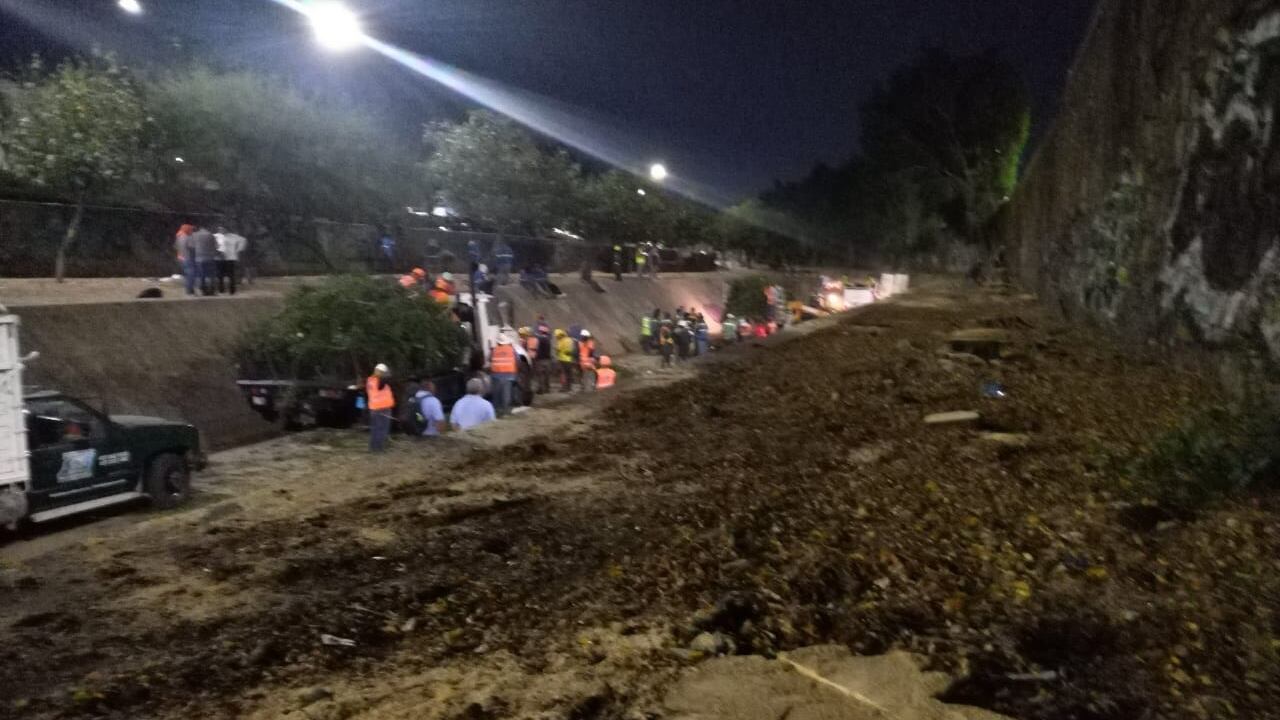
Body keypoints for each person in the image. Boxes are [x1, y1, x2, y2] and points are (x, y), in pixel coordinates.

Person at [366, 363, 395, 452]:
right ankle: (378, 449)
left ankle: (373, 448)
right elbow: (383, 383)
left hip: (375, 408)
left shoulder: (370, 380)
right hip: (382, 409)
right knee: (382, 429)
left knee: (375, 429)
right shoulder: (380, 381)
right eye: (384, 372)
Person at [489, 334, 518, 416]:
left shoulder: (494, 350)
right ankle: (506, 412)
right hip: (509, 376)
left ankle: (497, 412)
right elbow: (518, 361)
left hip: (496, 376)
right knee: (506, 395)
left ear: (498, 342)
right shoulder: (512, 350)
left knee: (496, 395)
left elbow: (490, 359)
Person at [215, 226, 247, 295]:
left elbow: (243, 240)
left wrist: (238, 249)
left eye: (222, 229)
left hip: (230, 258)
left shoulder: (233, 236)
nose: (221, 231)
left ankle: (232, 290)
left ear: (226, 229)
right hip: (221, 258)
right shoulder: (217, 236)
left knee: (231, 275)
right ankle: (221, 290)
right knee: (220, 275)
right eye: (219, 229)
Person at [191, 225, 219, 296]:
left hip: (199, 259)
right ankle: (212, 290)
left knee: (200, 275)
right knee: (211, 275)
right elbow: (217, 246)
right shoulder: (211, 235)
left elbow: (192, 246)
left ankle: (202, 290)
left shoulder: (195, 235)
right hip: (210, 258)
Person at [175, 224, 196, 295]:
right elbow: (192, 248)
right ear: (187, 230)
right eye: (191, 230)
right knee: (191, 274)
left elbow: (175, 247)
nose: (192, 231)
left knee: (187, 274)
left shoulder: (179, 236)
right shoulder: (187, 237)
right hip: (188, 258)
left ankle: (189, 289)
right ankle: (189, 290)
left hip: (181, 258)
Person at [533, 323, 553, 393]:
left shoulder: (539, 339)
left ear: (540, 331)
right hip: (547, 359)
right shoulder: (548, 339)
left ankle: (541, 389)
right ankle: (547, 389)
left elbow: (537, 349)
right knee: (547, 375)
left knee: (540, 375)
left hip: (540, 359)